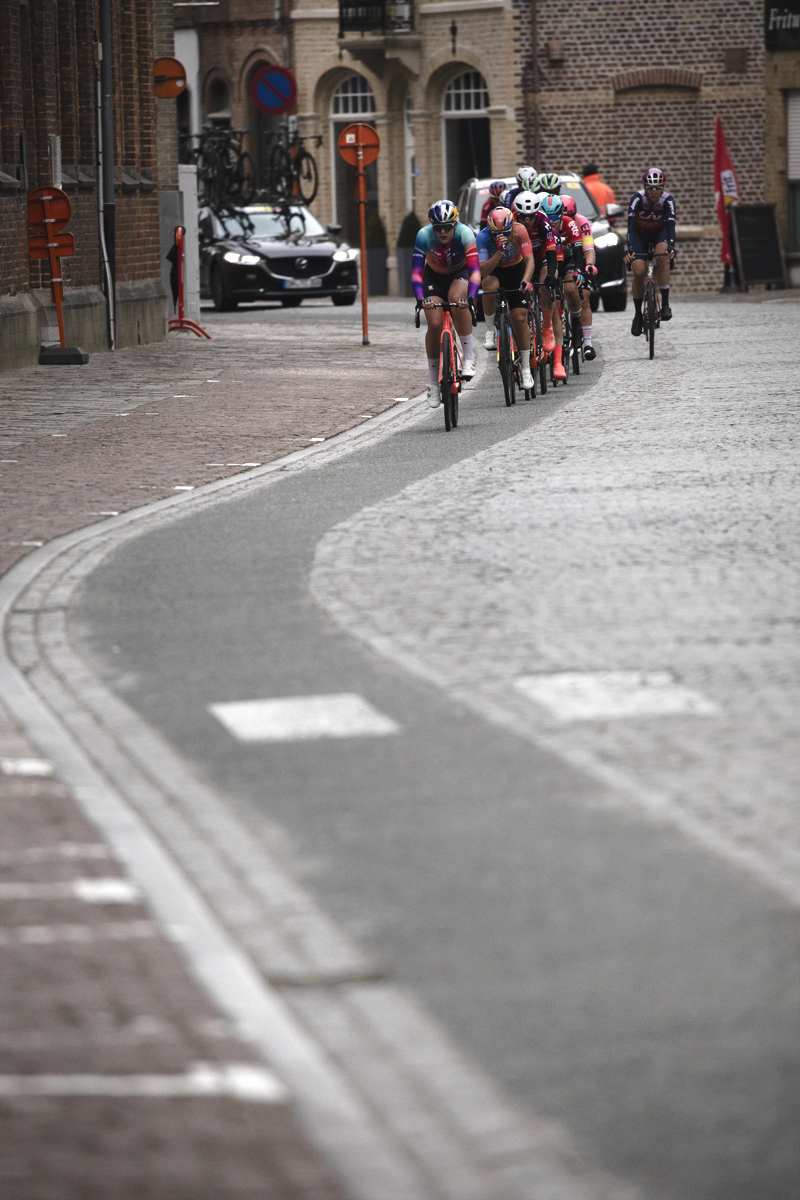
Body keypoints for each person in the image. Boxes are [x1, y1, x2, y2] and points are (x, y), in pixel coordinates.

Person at [412, 200, 481, 407]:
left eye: (447, 227)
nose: (443, 232)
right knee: (434, 324)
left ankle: (468, 358)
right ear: (432, 227)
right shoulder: (424, 235)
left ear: (455, 225)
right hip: (433, 277)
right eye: (438, 228)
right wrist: (419, 298)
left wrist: (471, 297)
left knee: (456, 299)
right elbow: (416, 272)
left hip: (460, 273)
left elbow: (476, 271)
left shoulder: (465, 233)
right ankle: (433, 384)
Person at [476, 205, 536, 390]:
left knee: (519, 318)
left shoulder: (519, 230)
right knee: (489, 285)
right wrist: (500, 251)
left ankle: (525, 368)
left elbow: (529, 261)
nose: (502, 235)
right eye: (497, 233)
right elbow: (483, 270)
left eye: (506, 232)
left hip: (516, 270)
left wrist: (525, 281)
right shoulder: (483, 237)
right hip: (495, 270)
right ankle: (490, 330)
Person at [624, 167, 676, 336]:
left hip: (659, 233)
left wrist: (671, 246)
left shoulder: (667, 200)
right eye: (651, 188)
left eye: (658, 188)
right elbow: (630, 225)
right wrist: (630, 248)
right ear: (645, 188)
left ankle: (666, 304)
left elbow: (670, 226)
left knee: (662, 257)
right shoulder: (637, 199)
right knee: (639, 271)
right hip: (640, 235)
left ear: (663, 187)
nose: (654, 192)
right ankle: (638, 315)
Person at [511, 190, 559, 365]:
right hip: (520, 261)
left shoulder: (544, 223)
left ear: (536, 213)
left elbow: (552, 252)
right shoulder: (511, 221)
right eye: (523, 216)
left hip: (541, 258)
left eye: (531, 216)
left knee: (548, 279)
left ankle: (547, 326)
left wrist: (552, 275)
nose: (527, 220)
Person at [560, 194, 598, 359]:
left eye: (570, 217)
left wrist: (589, 265)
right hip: (559, 257)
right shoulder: (551, 223)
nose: (566, 221)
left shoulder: (581, 222)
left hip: (577, 256)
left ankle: (587, 343)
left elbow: (588, 248)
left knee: (585, 297)